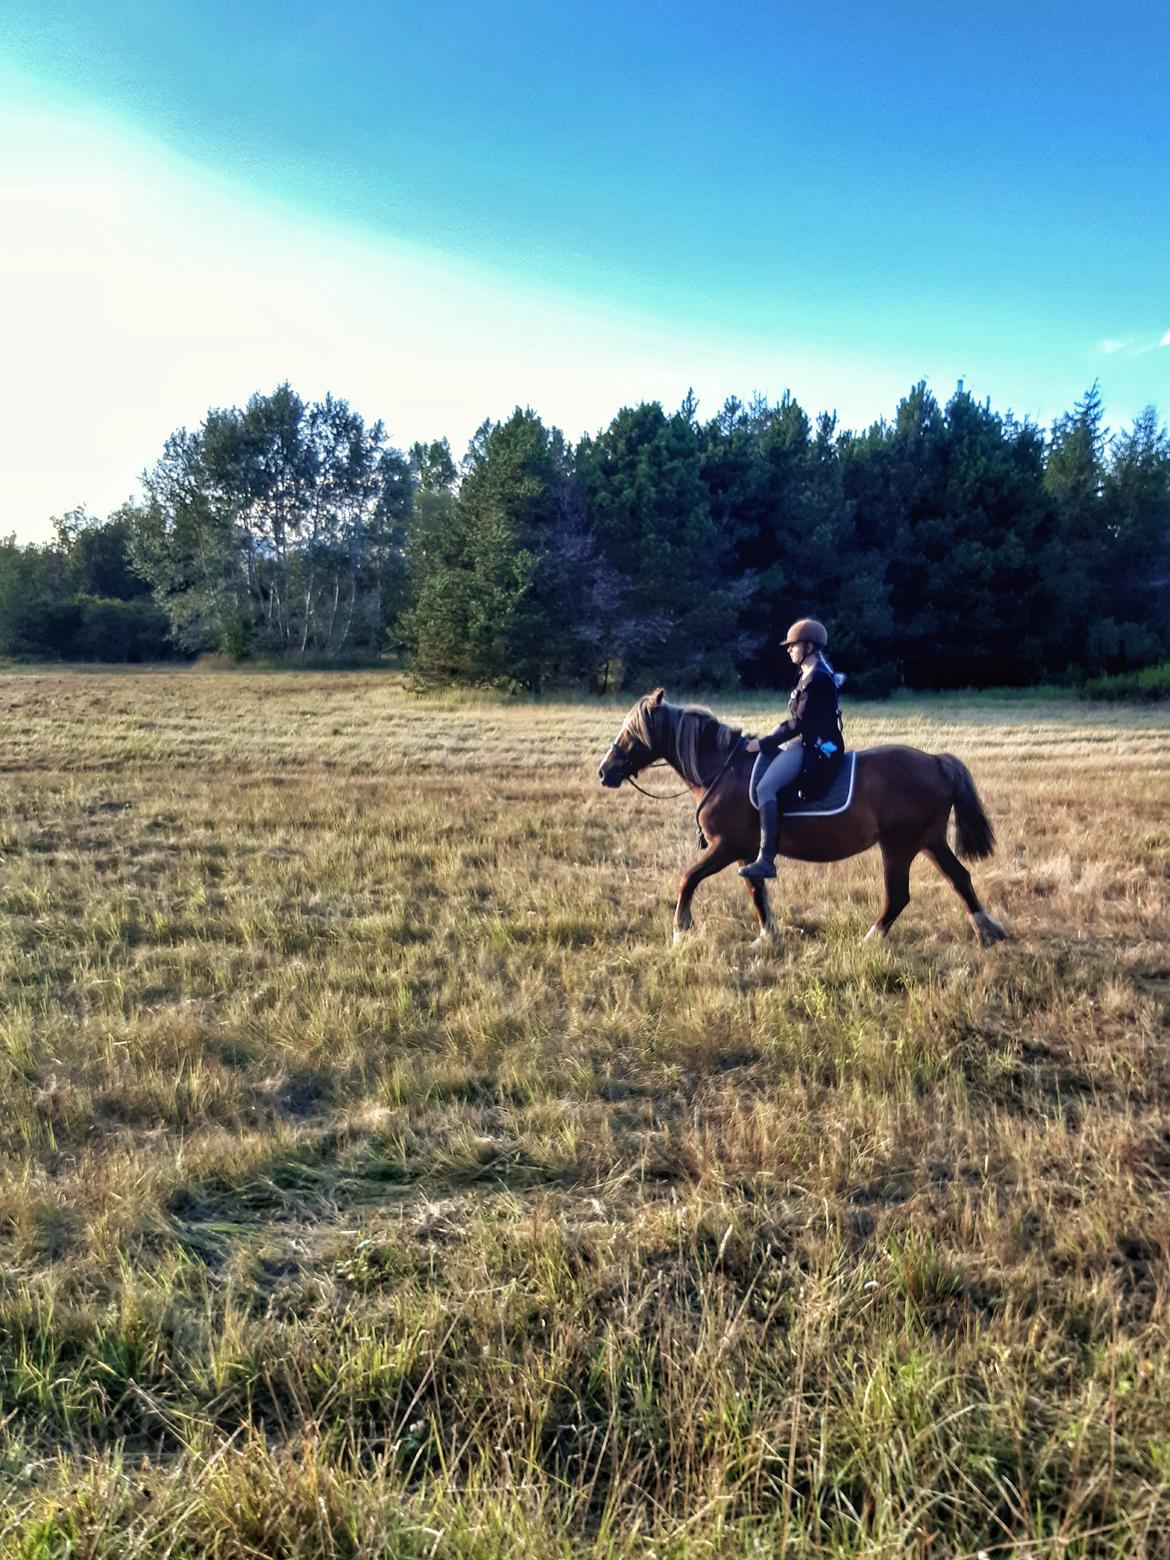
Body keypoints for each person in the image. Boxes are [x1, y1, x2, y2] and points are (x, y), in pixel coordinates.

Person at [740, 618, 845, 880]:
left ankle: (766, 859)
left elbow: (798, 724)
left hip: (818, 747)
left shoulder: (816, 679)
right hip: (811, 741)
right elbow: (796, 719)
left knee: (765, 787)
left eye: (793, 645)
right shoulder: (810, 675)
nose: (788, 650)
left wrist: (762, 744)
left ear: (808, 647)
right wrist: (773, 734)